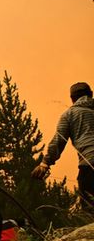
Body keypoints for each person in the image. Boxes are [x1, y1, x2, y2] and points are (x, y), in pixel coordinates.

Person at [32, 82, 94, 212]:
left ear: (72, 98)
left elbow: (59, 141)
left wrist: (45, 164)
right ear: (91, 94)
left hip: (89, 165)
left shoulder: (69, 114)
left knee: (90, 210)